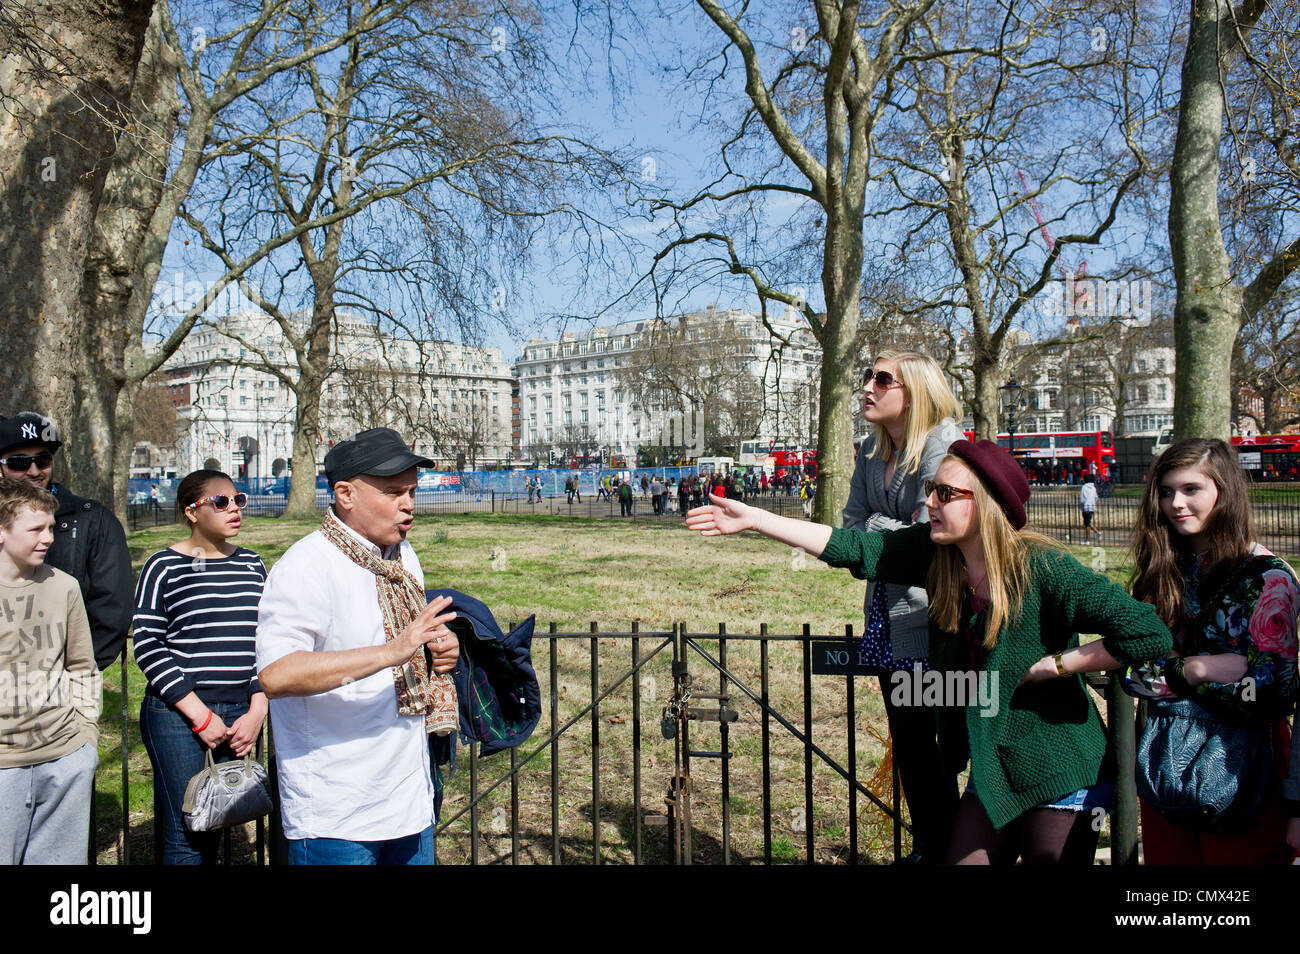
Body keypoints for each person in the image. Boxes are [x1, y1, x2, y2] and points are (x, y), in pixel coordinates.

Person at [688, 439, 1172, 864]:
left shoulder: (1043, 570)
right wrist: (757, 520)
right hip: (993, 768)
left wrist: (1059, 665)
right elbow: (855, 549)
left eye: (945, 493)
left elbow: (1147, 632)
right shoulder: (938, 554)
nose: (930, 502)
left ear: (986, 503)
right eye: (930, 490)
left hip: (1059, 769)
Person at [256, 428, 460, 864]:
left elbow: (409, 646)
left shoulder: (402, 557)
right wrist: (392, 651)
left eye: (411, 491)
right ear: (345, 494)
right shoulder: (305, 566)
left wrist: (438, 651)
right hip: (337, 810)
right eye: (392, 492)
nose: (407, 503)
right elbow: (276, 675)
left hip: (408, 797)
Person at [1128, 438, 1300, 864]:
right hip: (1165, 755)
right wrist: (1201, 670)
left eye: (1191, 489)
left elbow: (1269, 693)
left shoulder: (1267, 577)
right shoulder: (1162, 569)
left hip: (1244, 763)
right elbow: (1136, 674)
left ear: (1224, 490)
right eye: (1165, 492)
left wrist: (1179, 671)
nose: (1175, 503)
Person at [842, 351, 964, 863]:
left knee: (946, 749)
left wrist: (874, 538)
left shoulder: (945, 447)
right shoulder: (870, 453)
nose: (868, 386)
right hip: (887, 619)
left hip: (939, 621)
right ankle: (932, 848)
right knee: (911, 745)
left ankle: (958, 851)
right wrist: (877, 542)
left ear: (913, 391)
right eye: (867, 376)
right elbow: (848, 528)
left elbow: (928, 538)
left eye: (882, 378)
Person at [132, 470, 268, 864]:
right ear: (192, 512)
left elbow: (268, 641)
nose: (235, 509)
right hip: (178, 715)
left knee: (223, 823)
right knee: (187, 832)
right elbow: (148, 645)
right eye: (222, 502)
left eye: (238, 500)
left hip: (241, 715)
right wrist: (199, 716)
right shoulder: (163, 566)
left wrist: (258, 708)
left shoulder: (253, 566)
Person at [0, 478, 100, 864]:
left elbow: (82, 666)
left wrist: (85, 742)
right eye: (35, 529)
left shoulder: (65, 587)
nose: (48, 538)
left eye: (51, 528)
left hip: (63, 755)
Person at [0, 413, 132, 670]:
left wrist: (75, 673)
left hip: (60, 686)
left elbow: (112, 609)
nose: (34, 471)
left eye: (42, 460)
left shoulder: (93, 520)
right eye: (19, 462)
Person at [1079, 474, 1100, 546]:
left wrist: (1081, 506)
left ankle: (1087, 540)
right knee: (1088, 522)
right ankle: (1097, 532)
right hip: (1092, 506)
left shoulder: (1084, 487)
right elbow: (1096, 497)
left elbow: (1082, 498)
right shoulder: (1093, 487)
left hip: (1085, 506)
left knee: (1087, 524)